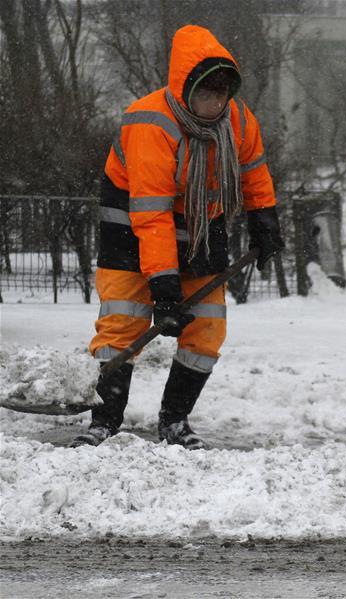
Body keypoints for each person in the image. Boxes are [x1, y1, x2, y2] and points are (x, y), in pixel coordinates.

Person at [71, 25, 284, 449]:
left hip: (203, 225)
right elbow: (152, 214)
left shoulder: (238, 120)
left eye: (223, 93)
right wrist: (164, 285)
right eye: (207, 93)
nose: (216, 103)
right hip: (133, 226)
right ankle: (106, 419)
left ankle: (174, 420)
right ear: (185, 88)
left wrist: (265, 216)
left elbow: (253, 169)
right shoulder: (151, 123)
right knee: (124, 322)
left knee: (207, 328)